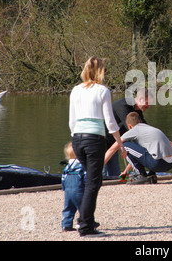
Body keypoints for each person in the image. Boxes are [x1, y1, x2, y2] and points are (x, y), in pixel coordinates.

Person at [69, 56, 126, 237]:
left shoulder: (75, 90)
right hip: (94, 140)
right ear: (101, 71)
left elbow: (72, 120)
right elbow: (110, 122)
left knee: (91, 181)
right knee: (93, 183)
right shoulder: (103, 91)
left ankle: (86, 219)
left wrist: (75, 139)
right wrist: (120, 143)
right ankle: (85, 226)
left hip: (78, 138)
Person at [105, 112, 172, 185]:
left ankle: (142, 176)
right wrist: (126, 172)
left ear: (129, 126)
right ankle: (152, 176)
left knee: (124, 145)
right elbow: (138, 157)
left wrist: (98, 168)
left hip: (158, 164)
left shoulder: (135, 130)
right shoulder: (150, 128)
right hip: (171, 163)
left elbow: (112, 149)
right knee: (149, 149)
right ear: (140, 121)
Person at [103, 89, 152, 177]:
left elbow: (145, 128)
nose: (149, 106)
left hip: (113, 143)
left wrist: (161, 138)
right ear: (140, 99)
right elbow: (132, 130)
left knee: (115, 175)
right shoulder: (123, 105)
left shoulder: (137, 112)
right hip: (101, 141)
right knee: (101, 175)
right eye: (147, 103)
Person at [61, 142, 85, 232]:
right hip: (79, 190)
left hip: (68, 191)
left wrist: (64, 188)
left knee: (68, 208)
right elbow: (85, 178)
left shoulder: (67, 167)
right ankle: (85, 223)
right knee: (83, 208)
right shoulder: (81, 166)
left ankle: (66, 225)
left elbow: (63, 179)